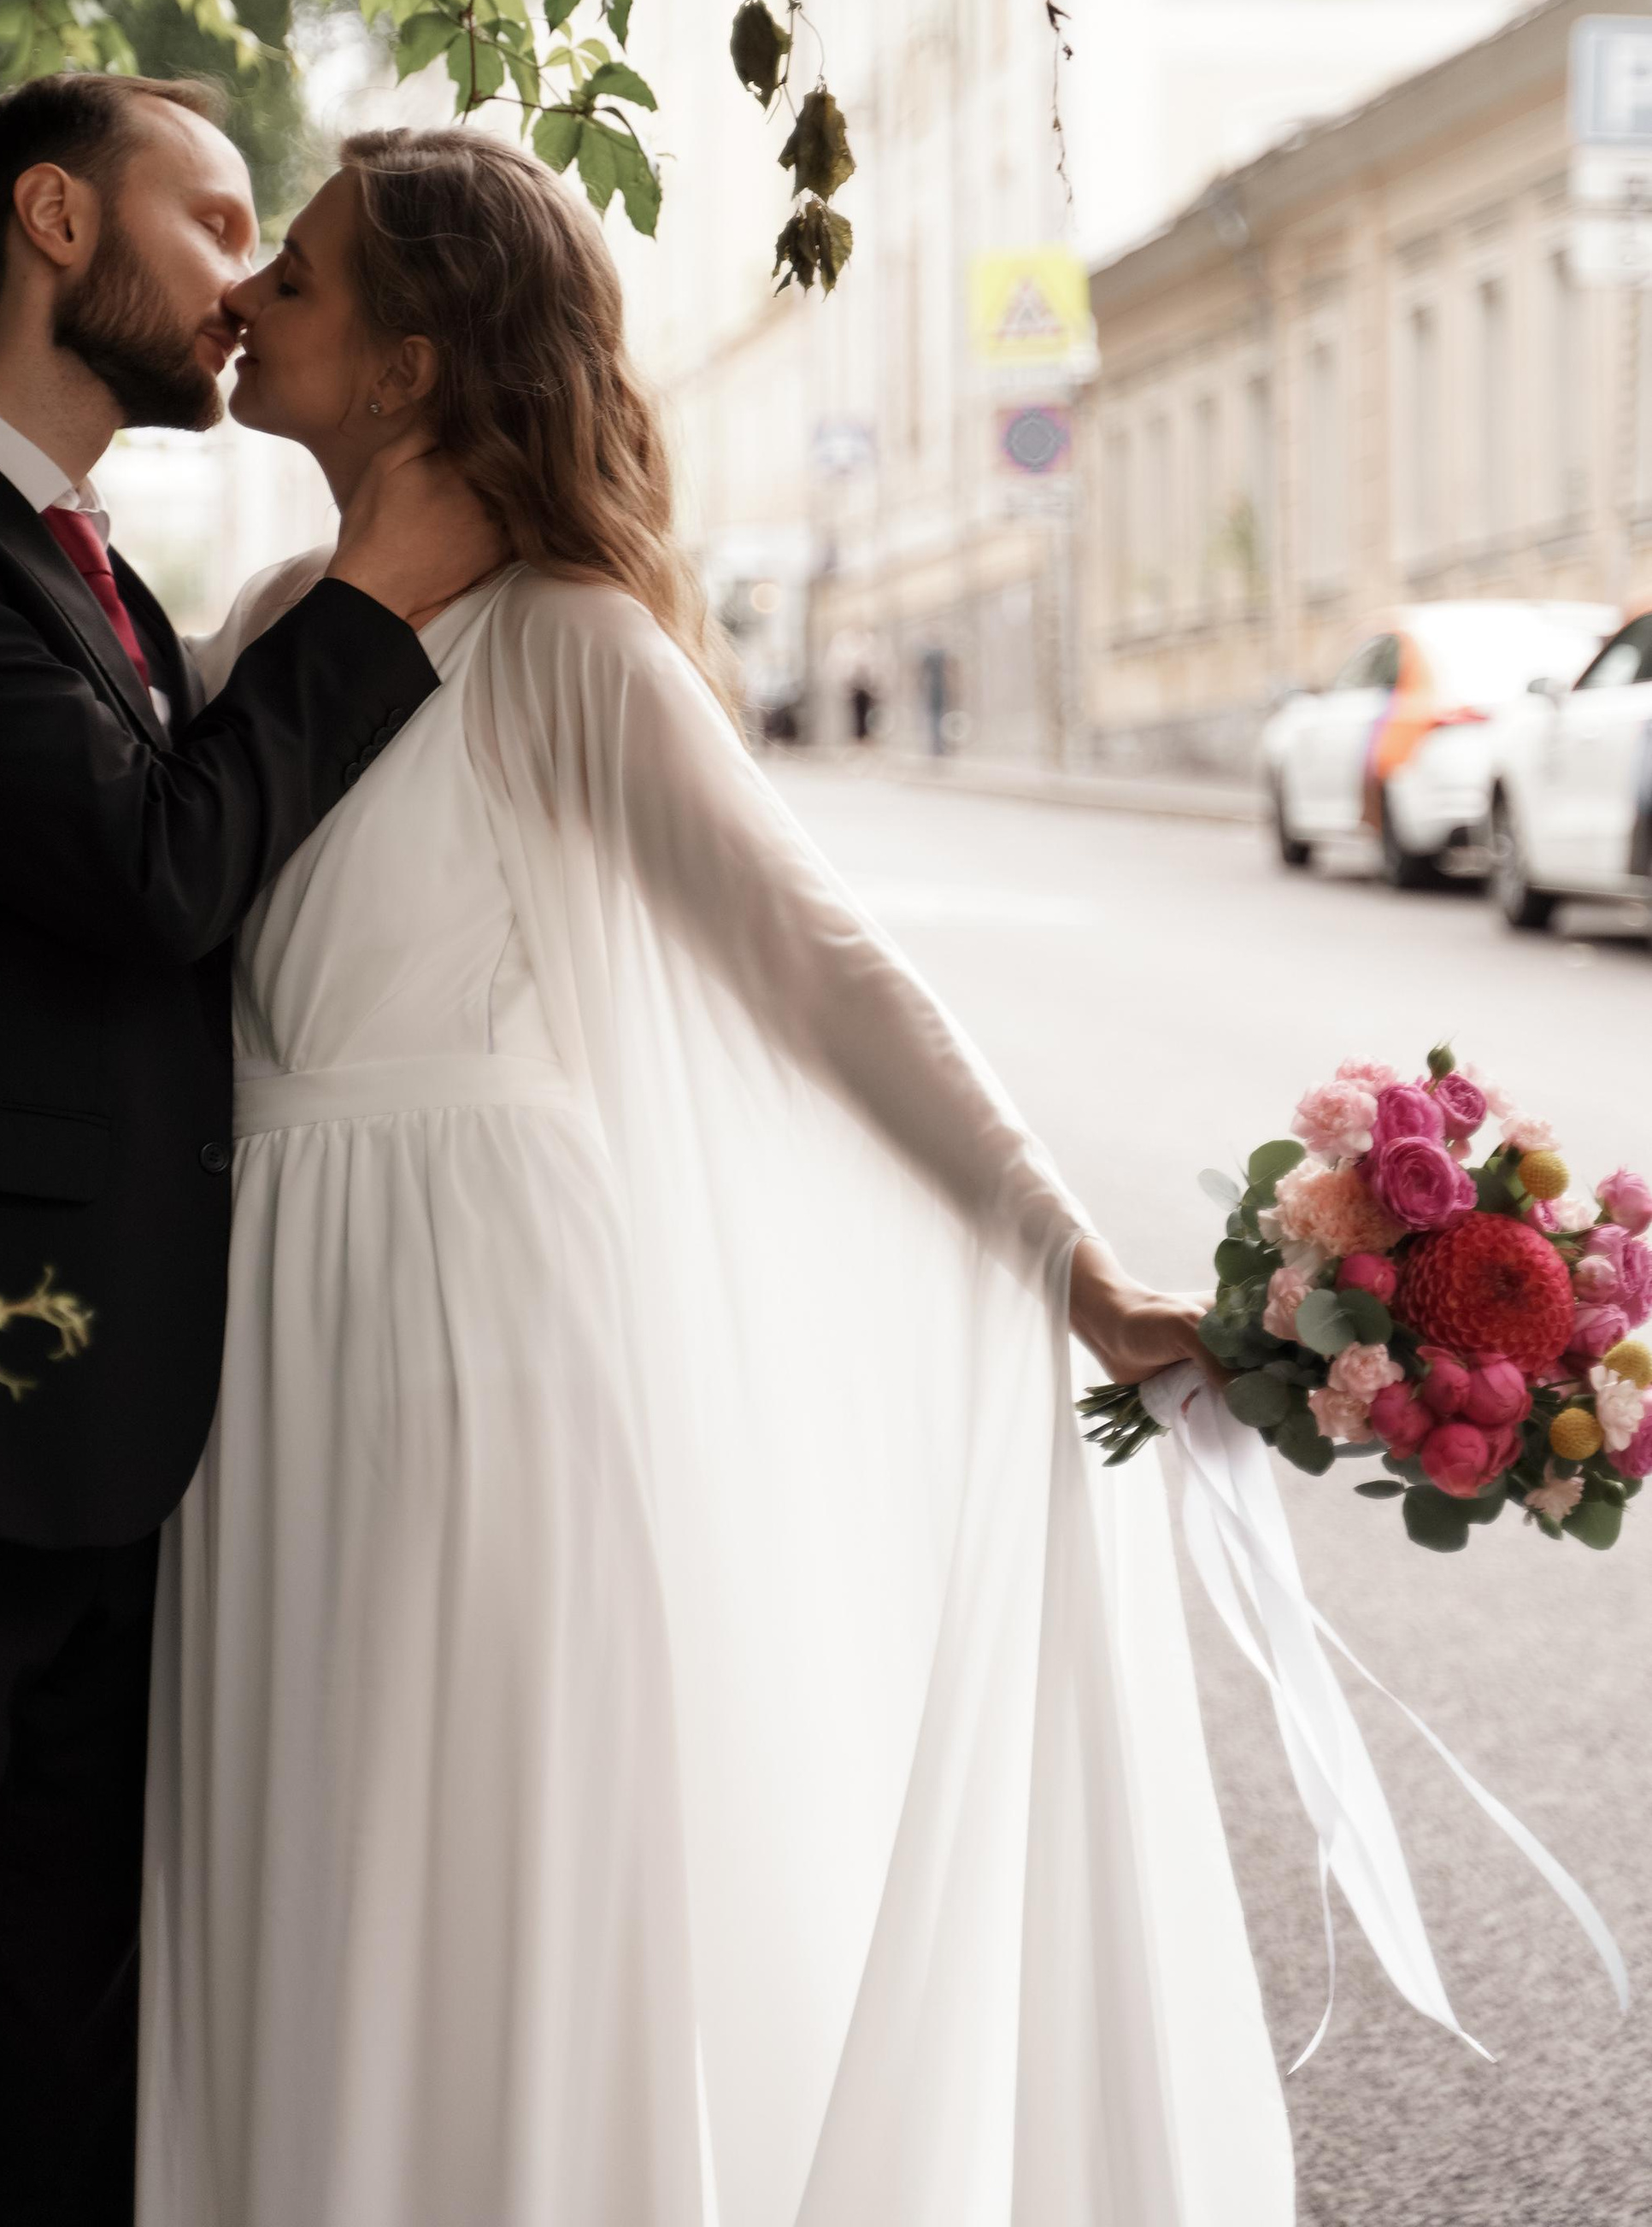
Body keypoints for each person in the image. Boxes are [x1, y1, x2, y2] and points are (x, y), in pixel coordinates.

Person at [137, 126, 1295, 2227]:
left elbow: (818, 967)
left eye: (290, 274)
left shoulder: (567, 644)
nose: (243, 301)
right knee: (286, 1877)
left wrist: (1070, 1267)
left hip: (465, 1352)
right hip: (262, 1334)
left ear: (407, 361)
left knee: (458, 1884)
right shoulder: (275, 620)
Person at [0, 73, 496, 2227]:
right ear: (53, 219)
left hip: (99, 1445)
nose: (249, 278)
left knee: (49, 2101)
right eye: (214, 219)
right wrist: (380, 591)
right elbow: (153, 872)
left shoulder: (99, 575)